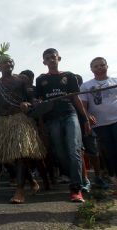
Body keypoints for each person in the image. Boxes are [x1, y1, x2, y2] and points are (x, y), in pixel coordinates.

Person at [0, 43, 45, 203]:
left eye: (10, 61)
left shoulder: (22, 79)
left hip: (20, 120)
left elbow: (32, 99)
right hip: (4, 122)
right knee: (12, 158)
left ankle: (19, 191)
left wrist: (28, 104)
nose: (8, 64)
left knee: (21, 155)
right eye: (5, 62)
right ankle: (31, 181)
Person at [35, 48, 91, 202]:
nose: (51, 60)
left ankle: (76, 189)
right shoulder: (40, 79)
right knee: (59, 153)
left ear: (59, 58)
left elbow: (76, 99)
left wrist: (85, 119)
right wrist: (41, 126)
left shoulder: (69, 76)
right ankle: (76, 177)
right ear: (44, 62)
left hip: (69, 115)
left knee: (74, 150)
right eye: (48, 58)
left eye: (53, 57)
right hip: (51, 119)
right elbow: (39, 104)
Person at [80, 57, 117, 188]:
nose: (99, 68)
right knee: (108, 151)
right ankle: (113, 177)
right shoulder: (86, 86)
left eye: (102, 65)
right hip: (100, 124)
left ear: (107, 66)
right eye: (96, 66)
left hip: (116, 120)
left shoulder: (115, 81)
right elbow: (83, 105)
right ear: (91, 69)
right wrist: (88, 117)